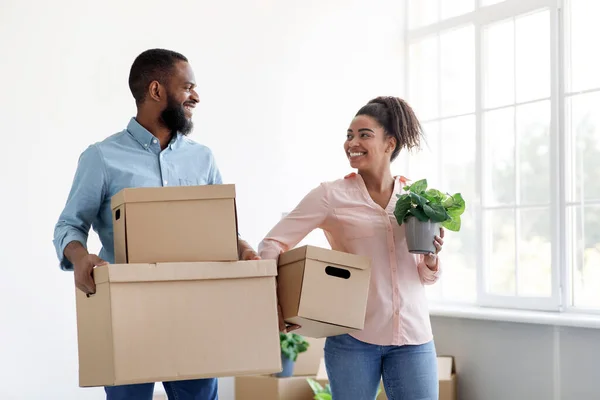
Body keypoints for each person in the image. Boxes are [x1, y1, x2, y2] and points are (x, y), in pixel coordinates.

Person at [53, 48, 260, 400]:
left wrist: (245, 250)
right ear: (155, 91)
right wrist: (80, 257)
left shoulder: (202, 158)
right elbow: (69, 226)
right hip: (126, 314)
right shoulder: (101, 157)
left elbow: (222, 227)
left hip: (194, 312)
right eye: (188, 87)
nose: (196, 96)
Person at [258, 96, 445, 399]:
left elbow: (424, 277)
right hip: (353, 340)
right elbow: (272, 243)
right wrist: (278, 302)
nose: (352, 143)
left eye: (364, 135)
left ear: (390, 143)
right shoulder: (331, 196)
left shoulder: (415, 198)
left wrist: (432, 259)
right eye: (349, 135)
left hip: (414, 338)